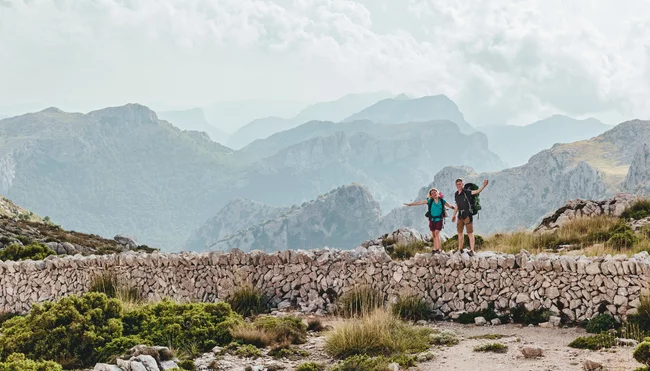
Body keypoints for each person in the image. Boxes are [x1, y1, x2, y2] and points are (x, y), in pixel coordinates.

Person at [404, 188, 456, 253]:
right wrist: (410, 204)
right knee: (434, 235)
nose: (434, 194)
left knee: (437, 233)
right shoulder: (430, 201)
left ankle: (438, 249)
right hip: (432, 219)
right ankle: (435, 248)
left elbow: (450, 206)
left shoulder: (442, 201)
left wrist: (456, 209)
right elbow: (420, 202)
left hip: (439, 219)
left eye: (435, 192)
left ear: (438, 193)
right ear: (431, 195)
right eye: (432, 193)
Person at [451, 178, 489, 256]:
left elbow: (477, 191)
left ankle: (472, 250)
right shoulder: (456, 194)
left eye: (460, 184)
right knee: (460, 233)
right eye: (457, 184)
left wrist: (484, 186)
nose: (459, 185)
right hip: (460, 216)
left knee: (470, 233)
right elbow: (457, 205)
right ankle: (460, 249)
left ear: (463, 184)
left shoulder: (467, 192)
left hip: (468, 215)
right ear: (456, 185)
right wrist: (454, 215)